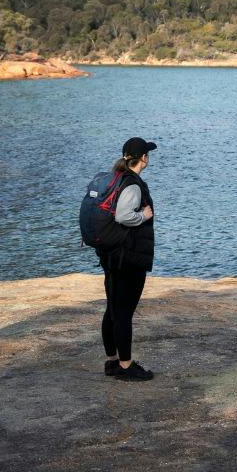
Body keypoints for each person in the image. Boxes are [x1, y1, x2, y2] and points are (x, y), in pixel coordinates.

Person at [99, 136, 158, 381]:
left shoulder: (115, 178)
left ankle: (112, 361)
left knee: (112, 308)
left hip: (112, 254)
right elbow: (124, 216)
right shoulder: (132, 184)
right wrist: (143, 216)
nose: (149, 158)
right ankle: (125, 366)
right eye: (148, 154)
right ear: (143, 158)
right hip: (128, 258)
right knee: (123, 312)